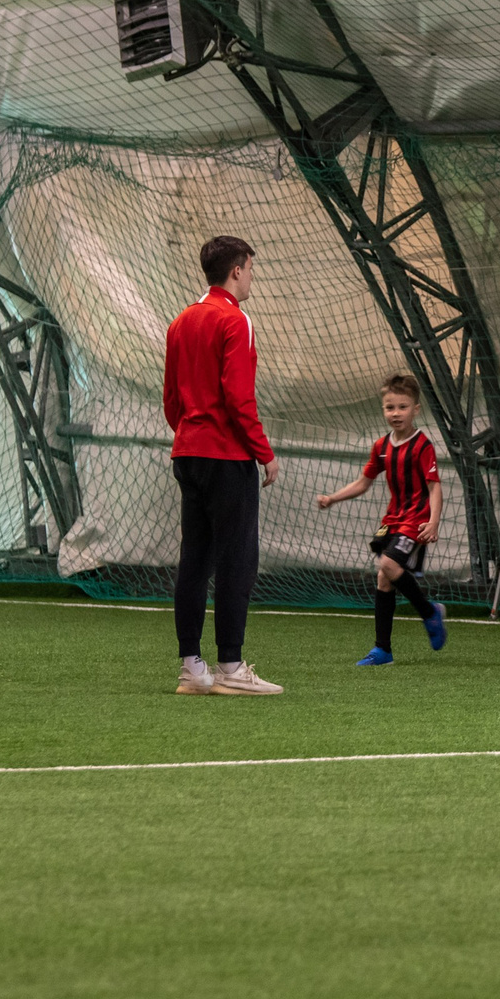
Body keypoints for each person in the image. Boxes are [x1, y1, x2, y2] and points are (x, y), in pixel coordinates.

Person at [165, 235, 282, 696]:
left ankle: (192, 669)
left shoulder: (181, 322)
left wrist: (191, 434)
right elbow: (238, 397)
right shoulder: (236, 320)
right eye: (250, 268)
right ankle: (232, 669)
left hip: (188, 452)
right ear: (237, 270)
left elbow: (171, 401)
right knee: (237, 561)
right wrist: (264, 453)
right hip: (227, 456)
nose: (251, 277)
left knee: (194, 561)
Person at [315, 372, 449, 666]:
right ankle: (383, 650)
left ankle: (429, 613)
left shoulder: (423, 446)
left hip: (416, 521)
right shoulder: (381, 446)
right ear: (383, 409)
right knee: (384, 578)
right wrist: (333, 498)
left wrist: (434, 521)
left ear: (415, 409)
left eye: (402, 407)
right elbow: (363, 483)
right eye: (390, 407)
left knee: (387, 564)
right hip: (393, 519)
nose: (396, 413)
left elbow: (434, 486)